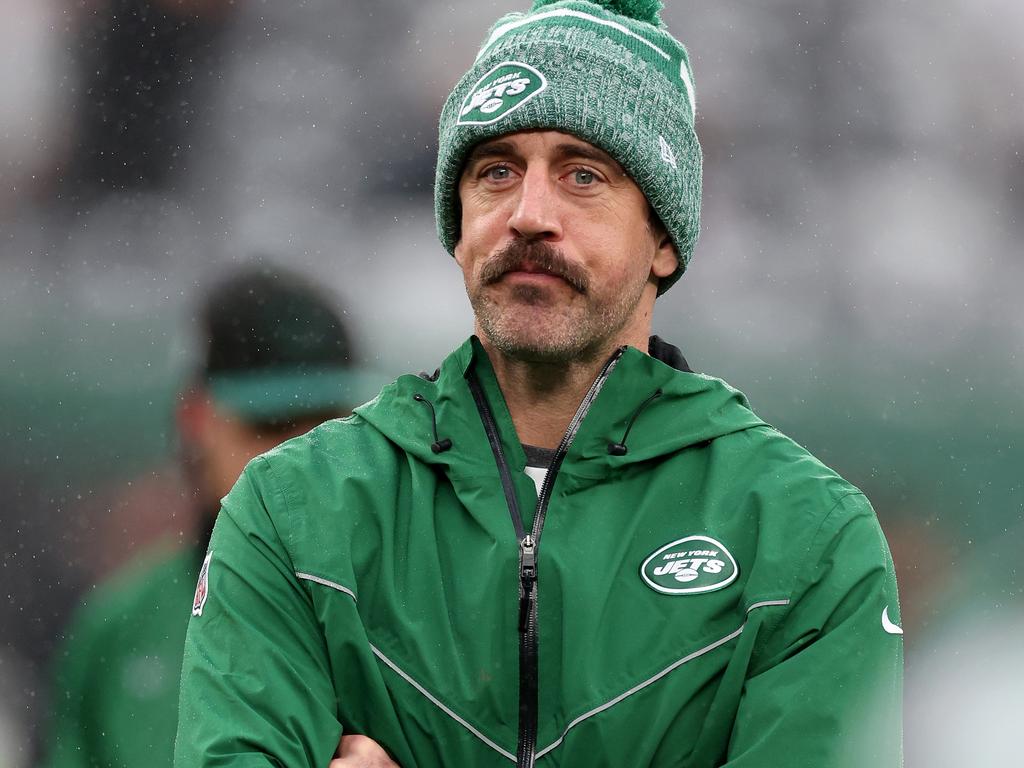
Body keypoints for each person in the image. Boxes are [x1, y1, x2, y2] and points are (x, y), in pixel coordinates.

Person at [176, 2, 903, 766]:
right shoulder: (292, 515)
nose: (529, 214)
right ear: (457, 223)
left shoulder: (803, 541)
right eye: (495, 171)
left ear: (662, 237)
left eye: (582, 174)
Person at [45, 264, 363, 768]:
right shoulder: (118, 632)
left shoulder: (430, 616)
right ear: (194, 418)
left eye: (329, 426)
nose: (302, 460)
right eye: (270, 426)